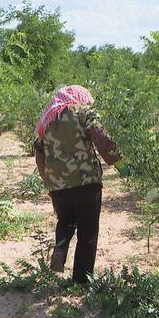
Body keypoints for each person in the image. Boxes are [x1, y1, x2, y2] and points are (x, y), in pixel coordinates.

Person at [34, 85, 121, 284]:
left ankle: (60, 250)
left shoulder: (47, 120)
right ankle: (81, 280)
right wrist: (120, 164)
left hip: (58, 187)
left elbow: (39, 154)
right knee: (88, 231)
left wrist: (48, 182)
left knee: (65, 222)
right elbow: (101, 137)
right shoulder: (83, 113)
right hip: (86, 182)